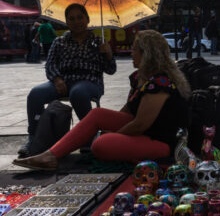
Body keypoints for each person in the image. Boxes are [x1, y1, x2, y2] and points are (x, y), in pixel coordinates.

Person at [13, 30, 191, 171]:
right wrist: (108, 126)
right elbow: (128, 110)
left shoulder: (160, 82)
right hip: (142, 133)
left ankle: (133, 153)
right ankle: (50, 155)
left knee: (100, 145)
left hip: (158, 142)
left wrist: (115, 133)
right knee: (97, 114)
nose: (131, 53)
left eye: (135, 49)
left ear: (147, 54)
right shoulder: (140, 77)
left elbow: (140, 125)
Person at [17, 3, 117, 158]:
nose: (76, 22)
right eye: (71, 19)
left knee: (78, 93)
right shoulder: (59, 42)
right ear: (66, 22)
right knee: (36, 94)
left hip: (89, 81)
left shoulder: (99, 42)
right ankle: (34, 138)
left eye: (80, 17)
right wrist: (56, 79)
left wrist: (108, 54)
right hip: (62, 81)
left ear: (87, 19)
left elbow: (111, 70)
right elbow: (50, 65)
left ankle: (88, 138)